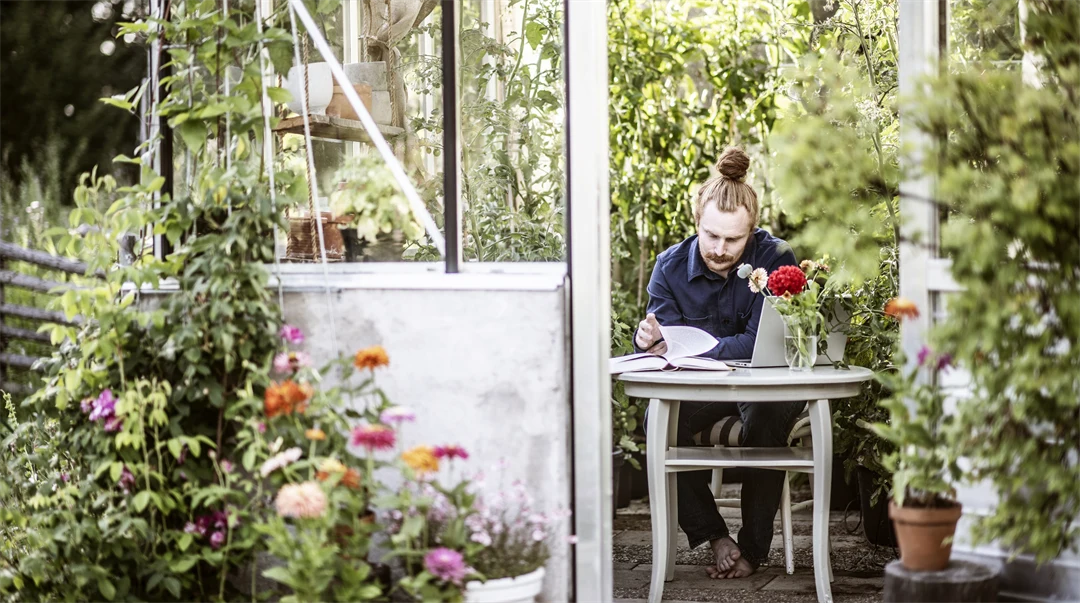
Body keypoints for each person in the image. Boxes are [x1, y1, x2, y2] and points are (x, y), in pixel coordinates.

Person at [635, 147, 802, 579]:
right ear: (696, 223)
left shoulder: (776, 257)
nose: (720, 249)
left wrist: (692, 348)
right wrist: (650, 340)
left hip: (765, 390)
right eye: (711, 236)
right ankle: (715, 535)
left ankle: (753, 549)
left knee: (766, 418)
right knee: (656, 421)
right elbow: (666, 347)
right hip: (703, 394)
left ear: (753, 231)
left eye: (734, 240)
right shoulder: (668, 268)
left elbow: (758, 343)